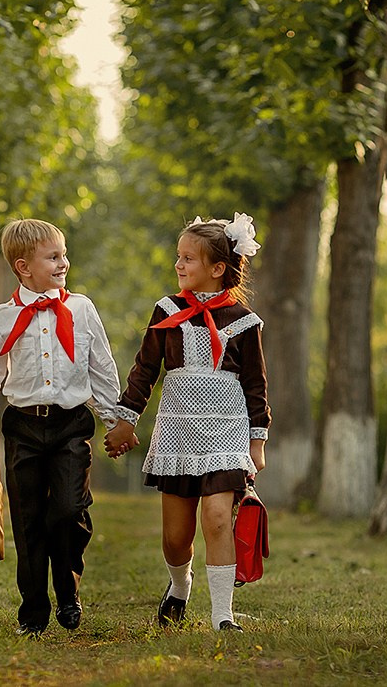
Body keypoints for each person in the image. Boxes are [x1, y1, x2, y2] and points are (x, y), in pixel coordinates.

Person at [0, 218, 138, 636]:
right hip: (22, 427)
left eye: (64, 255)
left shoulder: (81, 309)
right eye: (53, 257)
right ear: (23, 267)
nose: (64, 263)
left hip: (70, 426)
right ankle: (33, 612)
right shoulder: (3, 318)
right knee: (29, 520)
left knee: (69, 511)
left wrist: (114, 421)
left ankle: (68, 589)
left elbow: (101, 367)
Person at [104, 213, 270, 632]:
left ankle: (222, 616)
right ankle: (180, 585)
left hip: (227, 433)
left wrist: (257, 440)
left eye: (188, 258)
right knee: (176, 538)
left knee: (217, 518)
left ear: (217, 268)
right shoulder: (167, 311)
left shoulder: (245, 321)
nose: (178, 264)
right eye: (178, 256)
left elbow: (256, 385)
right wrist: (126, 419)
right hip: (178, 434)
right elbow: (144, 370)